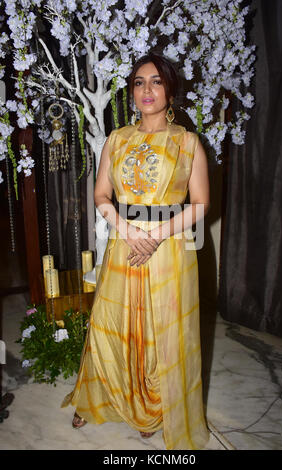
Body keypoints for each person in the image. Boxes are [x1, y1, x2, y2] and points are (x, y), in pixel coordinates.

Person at [61, 52, 210, 450]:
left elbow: (199, 204)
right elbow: (100, 193)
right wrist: (126, 230)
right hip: (123, 242)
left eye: (157, 81)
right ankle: (103, 395)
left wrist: (156, 235)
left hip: (170, 248)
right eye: (140, 82)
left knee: (160, 331)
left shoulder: (188, 142)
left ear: (170, 90)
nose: (147, 90)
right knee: (112, 321)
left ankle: (152, 407)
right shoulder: (117, 138)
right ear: (131, 93)